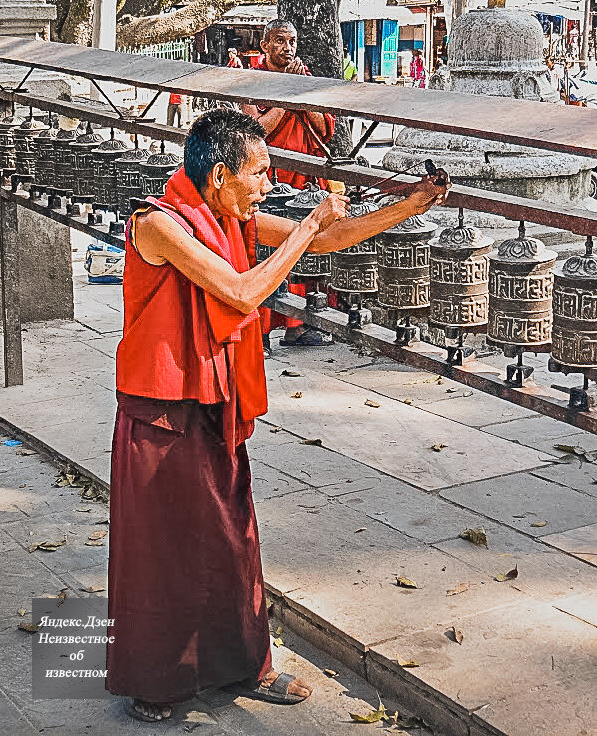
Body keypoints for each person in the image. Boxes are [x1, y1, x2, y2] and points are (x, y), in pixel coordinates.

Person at [107, 107, 450, 723]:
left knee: (233, 538)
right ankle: (156, 684)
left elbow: (323, 241)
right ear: (219, 176)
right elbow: (241, 292)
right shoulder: (156, 226)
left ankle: (242, 665)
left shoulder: (227, 216)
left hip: (214, 403)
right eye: (260, 173)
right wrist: (306, 221)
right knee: (162, 551)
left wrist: (410, 206)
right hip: (161, 414)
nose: (267, 185)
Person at [242, 18, 338, 348]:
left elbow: (325, 127)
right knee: (268, 251)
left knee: (305, 250)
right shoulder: (253, 79)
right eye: (280, 41)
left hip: (305, 180)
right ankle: (262, 330)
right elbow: (258, 130)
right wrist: (287, 93)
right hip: (269, 182)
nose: (288, 48)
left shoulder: (303, 76)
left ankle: (300, 325)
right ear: (265, 45)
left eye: (292, 42)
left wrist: (299, 89)